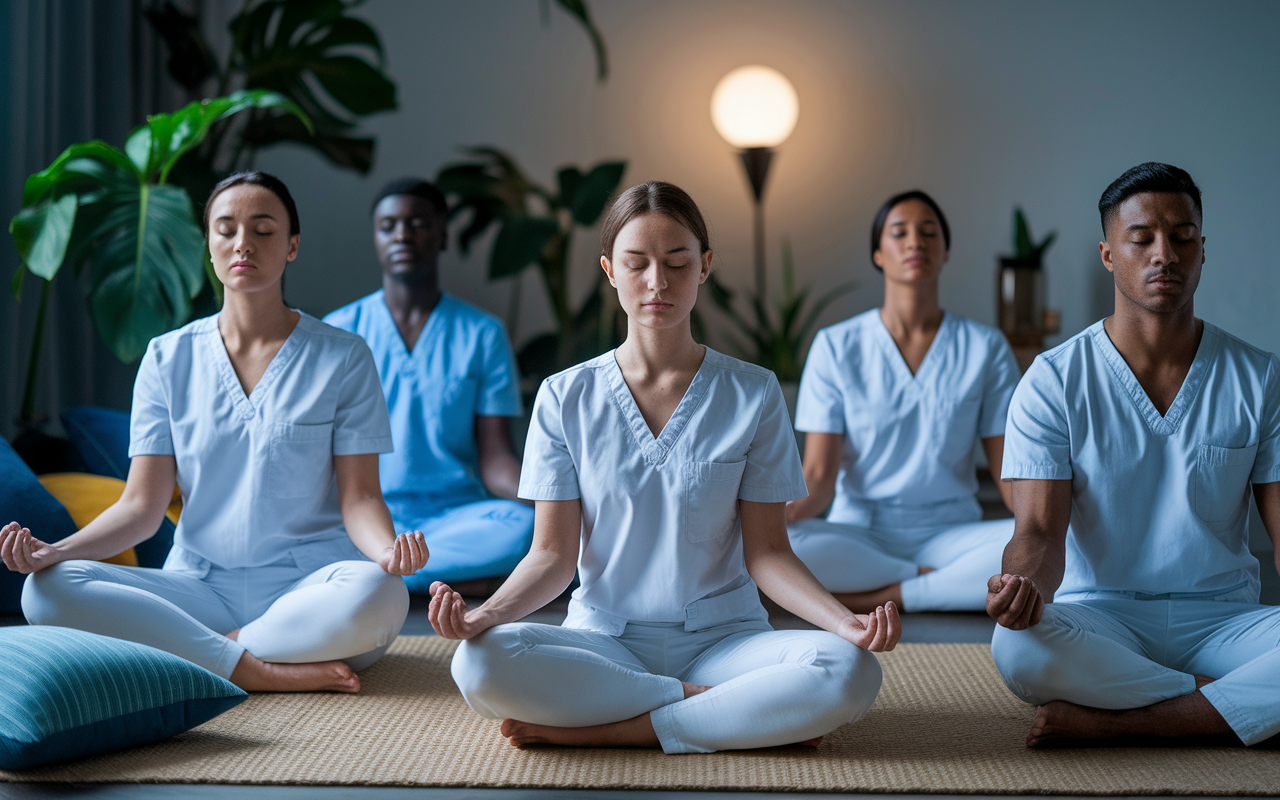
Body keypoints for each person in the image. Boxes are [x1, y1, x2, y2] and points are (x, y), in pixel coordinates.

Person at [428, 181, 899, 754]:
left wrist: (844, 623)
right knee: (479, 665)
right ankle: (711, 710)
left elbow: (769, 553)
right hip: (604, 642)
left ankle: (622, 728)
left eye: (678, 263)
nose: (658, 282)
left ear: (704, 267)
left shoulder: (754, 392)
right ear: (609, 270)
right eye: (637, 264)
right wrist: (485, 616)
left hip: (727, 642)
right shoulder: (564, 395)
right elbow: (552, 557)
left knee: (849, 670)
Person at [1, 171, 428, 693]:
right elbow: (141, 507)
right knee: (44, 591)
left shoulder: (344, 356)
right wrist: (56, 552)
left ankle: (201, 654)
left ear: (292, 246)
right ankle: (257, 667)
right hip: (197, 587)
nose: (243, 243)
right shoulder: (166, 357)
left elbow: (360, 497)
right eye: (226, 229)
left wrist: (388, 552)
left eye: (263, 230)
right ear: (209, 245)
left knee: (381, 591)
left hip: (309, 588)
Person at [988, 162, 1280, 747]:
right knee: (1018, 647)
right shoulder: (1053, 380)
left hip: (1224, 618)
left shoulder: (1260, 376)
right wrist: (1020, 585)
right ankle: (1226, 708)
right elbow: (1040, 532)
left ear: (1203, 249)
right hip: (1099, 616)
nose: (1164, 254)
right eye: (1142, 238)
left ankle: (1135, 720)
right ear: (1107, 254)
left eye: (1183, 237)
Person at [787, 190, 1020, 613]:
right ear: (878, 253)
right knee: (780, 548)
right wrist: (766, 528)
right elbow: (818, 477)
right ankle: (943, 588)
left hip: (954, 534)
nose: (916, 242)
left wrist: (1055, 520)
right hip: (859, 534)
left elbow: (1009, 479)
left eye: (929, 233)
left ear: (945, 252)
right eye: (900, 233)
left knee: (1058, 542)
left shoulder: (985, 347)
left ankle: (882, 597)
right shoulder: (836, 346)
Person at [325, 178, 532, 595]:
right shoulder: (339, 332)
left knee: (526, 528)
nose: (402, 234)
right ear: (376, 238)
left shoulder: (482, 333)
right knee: (316, 537)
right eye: (388, 226)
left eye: (418, 223)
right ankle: (463, 581)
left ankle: (390, 577)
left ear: (442, 236)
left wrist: (554, 500)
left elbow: (496, 462)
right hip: (366, 514)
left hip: (458, 516)